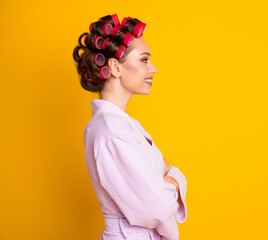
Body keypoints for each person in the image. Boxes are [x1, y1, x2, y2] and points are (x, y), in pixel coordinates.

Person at [72, 14, 187, 240]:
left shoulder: (120, 125)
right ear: (115, 66)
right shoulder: (112, 132)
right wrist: (174, 179)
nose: (153, 68)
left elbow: (155, 197)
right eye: (144, 60)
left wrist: (163, 182)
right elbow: (158, 209)